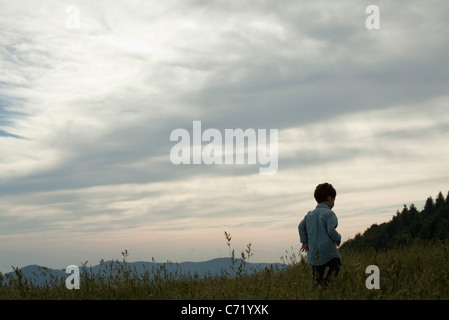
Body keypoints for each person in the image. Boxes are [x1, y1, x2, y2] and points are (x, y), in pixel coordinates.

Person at [298, 183, 342, 287]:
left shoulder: (309, 214)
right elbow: (331, 230)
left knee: (317, 276)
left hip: (314, 253)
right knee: (336, 265)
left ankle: (318, 289)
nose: (333, 203)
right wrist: (338, 238)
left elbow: (300, 226)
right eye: (333, 200)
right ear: (329, 198)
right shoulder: (329, 214)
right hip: (328, 251)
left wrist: (304, 241)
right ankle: (327, 285)